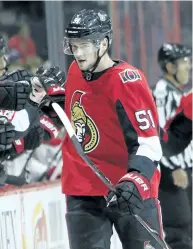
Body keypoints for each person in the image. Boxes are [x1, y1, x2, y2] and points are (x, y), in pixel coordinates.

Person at [61, 9, 163, 248]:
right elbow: (79, 114)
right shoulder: (75, 72)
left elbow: (149, 142)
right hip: (83, 190)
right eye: (74, 46)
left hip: (130, 193)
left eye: (84, 45)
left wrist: (135, 180)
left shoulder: (127, 81)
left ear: (103, 43)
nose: (78, 53)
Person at [153, 43, 192, 249]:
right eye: (184, 62)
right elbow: (160, 137)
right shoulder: (163, 94)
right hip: (172, 175)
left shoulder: (175, 92)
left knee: (187, 231)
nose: (189, 66)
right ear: (170, 68)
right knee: (179, 232)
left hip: (183, 171)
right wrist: (174, 168)